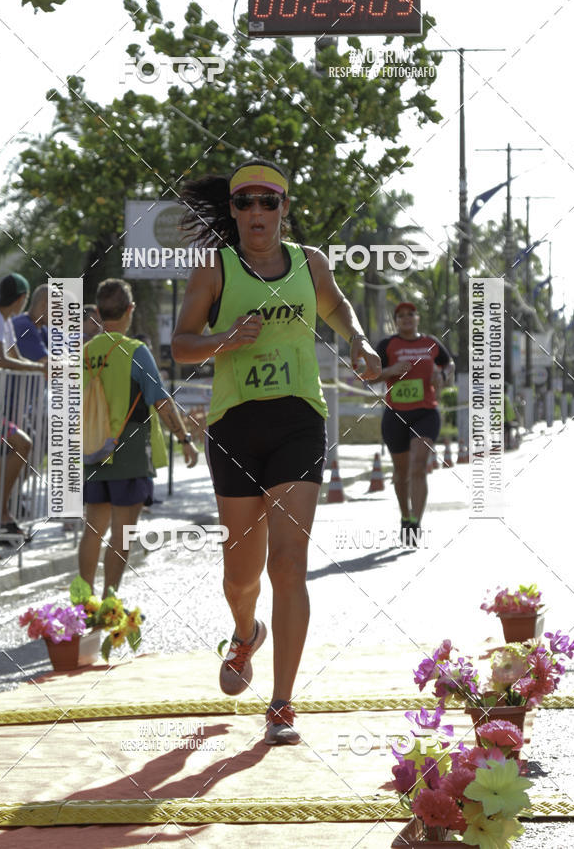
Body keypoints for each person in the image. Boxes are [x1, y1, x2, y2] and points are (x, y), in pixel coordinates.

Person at [171, 158, 382, 746]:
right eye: (245, 204)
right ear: (234, 213)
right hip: (235, 427)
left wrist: (360, 344)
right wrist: (221, 340)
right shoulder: (215, 268)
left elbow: (337, 308)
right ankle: (245, 633)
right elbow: (181, 345)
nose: (257, 213)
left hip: (298, 421)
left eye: (269, 202)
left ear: (284, 209)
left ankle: (283, 703)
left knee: (288, 564)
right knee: (241, 577)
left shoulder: (310, 263)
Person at [78, 278, 198, 598]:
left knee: (93, 529)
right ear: (130, 310)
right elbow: (160, 401)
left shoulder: (85, 352)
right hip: (127, 451)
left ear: (100, 313)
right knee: (123, 532)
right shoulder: (135, 351)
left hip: (92, 450)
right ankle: (108, 602)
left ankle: (82, 600)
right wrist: (184, 439)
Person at [374, 301, 454, 546]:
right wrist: (392, 370)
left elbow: (448, 363)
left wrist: (444, 374)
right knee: (401, 472)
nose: (406, 319)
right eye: (401, 316)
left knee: (418, 466)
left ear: (418, 318)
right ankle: (405, 516)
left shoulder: (430, 343)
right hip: (395, 414)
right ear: (396, 321)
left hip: (426, 413)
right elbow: (370, 373)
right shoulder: (387, 345)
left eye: (411, 314)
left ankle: (416, 523)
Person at [0, 273, 46, 544]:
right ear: (21, 298)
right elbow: (2, 360)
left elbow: (15, 356)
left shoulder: (3, 321)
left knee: (18, 444)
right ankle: (0, 516)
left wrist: (37, 367)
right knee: (21, 442)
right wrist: (40, 368)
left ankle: (0, 517)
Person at [12, 284, 49, 362]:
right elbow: (46, 362)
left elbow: (62, 354)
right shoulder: (24, 326)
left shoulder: (42, 328)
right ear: (43, 305)